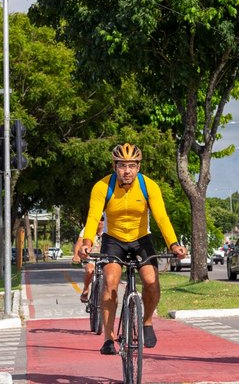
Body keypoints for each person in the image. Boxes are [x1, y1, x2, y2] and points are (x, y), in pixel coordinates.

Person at [79, 143, 187, 356]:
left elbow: (161, 217)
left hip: (141, 239)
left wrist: (173, 244)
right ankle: (108, 338)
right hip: (114, 239)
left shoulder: (149, 186)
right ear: (114, 166)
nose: (126, 171)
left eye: (132, 165)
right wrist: (87, 242)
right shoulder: (102, 187)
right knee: (110, 283)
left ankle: (147, 322)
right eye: (121, 165)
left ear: (138, 167)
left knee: (151, 281)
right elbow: (93, 217)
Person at [72, 217, 104, 303]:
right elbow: (79, 242)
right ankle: (86, 289)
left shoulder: (109, 230)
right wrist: (76, 255)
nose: (100, 221)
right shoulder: (87, 229)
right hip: (90, 257)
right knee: (90, 270)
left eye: (102, 219)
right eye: (98, 219)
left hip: (105, 257)